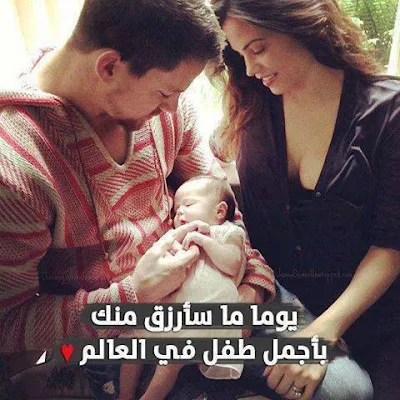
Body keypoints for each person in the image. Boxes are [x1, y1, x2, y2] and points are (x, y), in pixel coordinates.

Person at [0, 0, 276, 398]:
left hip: (218, 293)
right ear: (109, 67)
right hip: (122, 343)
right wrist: (131, 297)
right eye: (165, 92)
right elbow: (8, 321)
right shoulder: (15, 166)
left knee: (344, 388)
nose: (173, 108)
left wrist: (250, 287)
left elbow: (221, 209)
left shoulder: (168, 113)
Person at [209, 0, 400, 399]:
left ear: (302, 25)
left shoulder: (388, 113)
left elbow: (390, 246)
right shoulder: (251, 107)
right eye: (240, 55)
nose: (250, 68)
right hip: (279, 301)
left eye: (258, 48)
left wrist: (325, 330)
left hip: (372, 312)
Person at [118, 175, 247, 400]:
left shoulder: (226, 232)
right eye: (176, 210)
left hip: (203, 309)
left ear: (219, 211)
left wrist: (205, 241)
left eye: (188, 204)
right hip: (170, 303)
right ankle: (124, 395)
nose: (179, 213)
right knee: (133, 341)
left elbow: (233, 263)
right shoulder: (176, 236)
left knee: (171, 360)